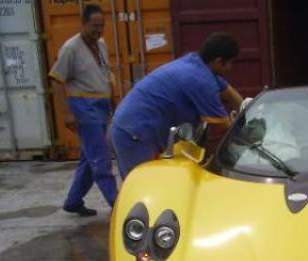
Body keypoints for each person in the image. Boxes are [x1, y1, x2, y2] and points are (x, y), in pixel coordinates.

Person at [110, 33, 243, 178]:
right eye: (230, 63)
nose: (230, 68)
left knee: (152, 185)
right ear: (219, 62)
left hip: (134, 126)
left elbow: (230, 93)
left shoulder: (196, 63)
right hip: (134, 132)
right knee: (140, 186)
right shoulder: (202, 80)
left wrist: (246, 114)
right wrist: (246, 140)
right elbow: (223, 128)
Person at [49, 3, 118, 217]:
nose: (98, 30)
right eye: (94, 26)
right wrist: (67, 113)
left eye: (102, 26)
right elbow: (56, 80)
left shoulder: (101, 44)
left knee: (89, 158)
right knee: (100, 158)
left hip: (102, 105)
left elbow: (106, 75)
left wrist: (113, 98)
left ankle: (73, 201)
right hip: (84, 108)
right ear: (83, 24)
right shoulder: (71, 48)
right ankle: (117, 204)